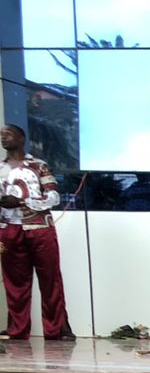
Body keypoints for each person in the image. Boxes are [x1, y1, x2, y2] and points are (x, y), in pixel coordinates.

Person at [0, 123, 72, 341]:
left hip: (40, 228)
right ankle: (17, 330)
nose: (3, 138)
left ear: (21, 138)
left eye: (8, 134)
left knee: (50, 279)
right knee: (14, 283)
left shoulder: (39, 166)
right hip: (8, 229)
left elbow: (54, 197)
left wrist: (22, 200)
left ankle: (57, 329)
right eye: (1, 135)